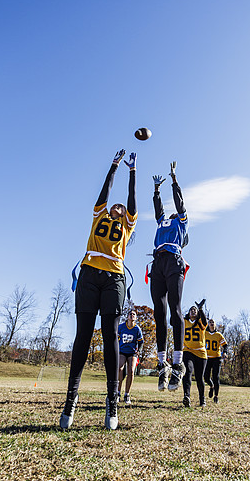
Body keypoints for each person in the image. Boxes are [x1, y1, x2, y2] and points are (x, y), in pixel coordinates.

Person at [60, 149, 137, 431]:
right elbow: (105, 192)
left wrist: (132, 171)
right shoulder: (98, 217)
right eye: (113, 206)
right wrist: (114, 166)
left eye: (120, 207)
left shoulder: (127, 226)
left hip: (114, 277)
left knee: (110, 337)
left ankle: (112, 401)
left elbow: (131, 201)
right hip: (90, 272)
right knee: (82, 334)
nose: (116, 207)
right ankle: (71, 399)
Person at [149, 161, 189, 392]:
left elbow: (180, 203)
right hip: (158, 262)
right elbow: (158, 210)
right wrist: (156, 191)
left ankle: (178, 363)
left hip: (174, 260)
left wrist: (174, 181)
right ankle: (162, 363)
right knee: (159, 312)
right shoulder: (163, 220)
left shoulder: (181, 221)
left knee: (175, 309)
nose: (173, 210)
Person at [182, 300, 208, 407]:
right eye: (191, 310)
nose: (193, 311)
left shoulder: (201, 323)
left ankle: (202, 399)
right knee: (187, 372)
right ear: (188, 313)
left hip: (201, 352)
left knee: (199, 377)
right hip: (188, 350)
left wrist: (200, 309)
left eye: (195, 310)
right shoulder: (184, 322)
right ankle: (186, 396)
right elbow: (174, 320)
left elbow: (205, 322)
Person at [118, 309, 144, 405]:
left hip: (132, 353)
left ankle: (127, 394)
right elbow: (116, 339)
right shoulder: (121, 327)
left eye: (134, 314)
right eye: (130, 314)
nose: (132, 315)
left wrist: (139, 351)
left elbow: (141, 342)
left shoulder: (137, 329)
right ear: (127, 316)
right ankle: (118, 393)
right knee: (120, 369)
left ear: (136, 318)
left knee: (131, 371)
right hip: (122, 352)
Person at [203, 319, 227, 404]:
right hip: (207, 358)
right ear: (208, 324)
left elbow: (225, 345)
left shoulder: (218, 335)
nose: (211, 323)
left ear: (215, 325)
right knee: (206, 376)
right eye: (210, 322)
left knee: (215, 377)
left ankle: (216, 396)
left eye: (213, 322)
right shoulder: (204, 333)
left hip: (217, 357)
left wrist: (224, 352)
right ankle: (211, 386)